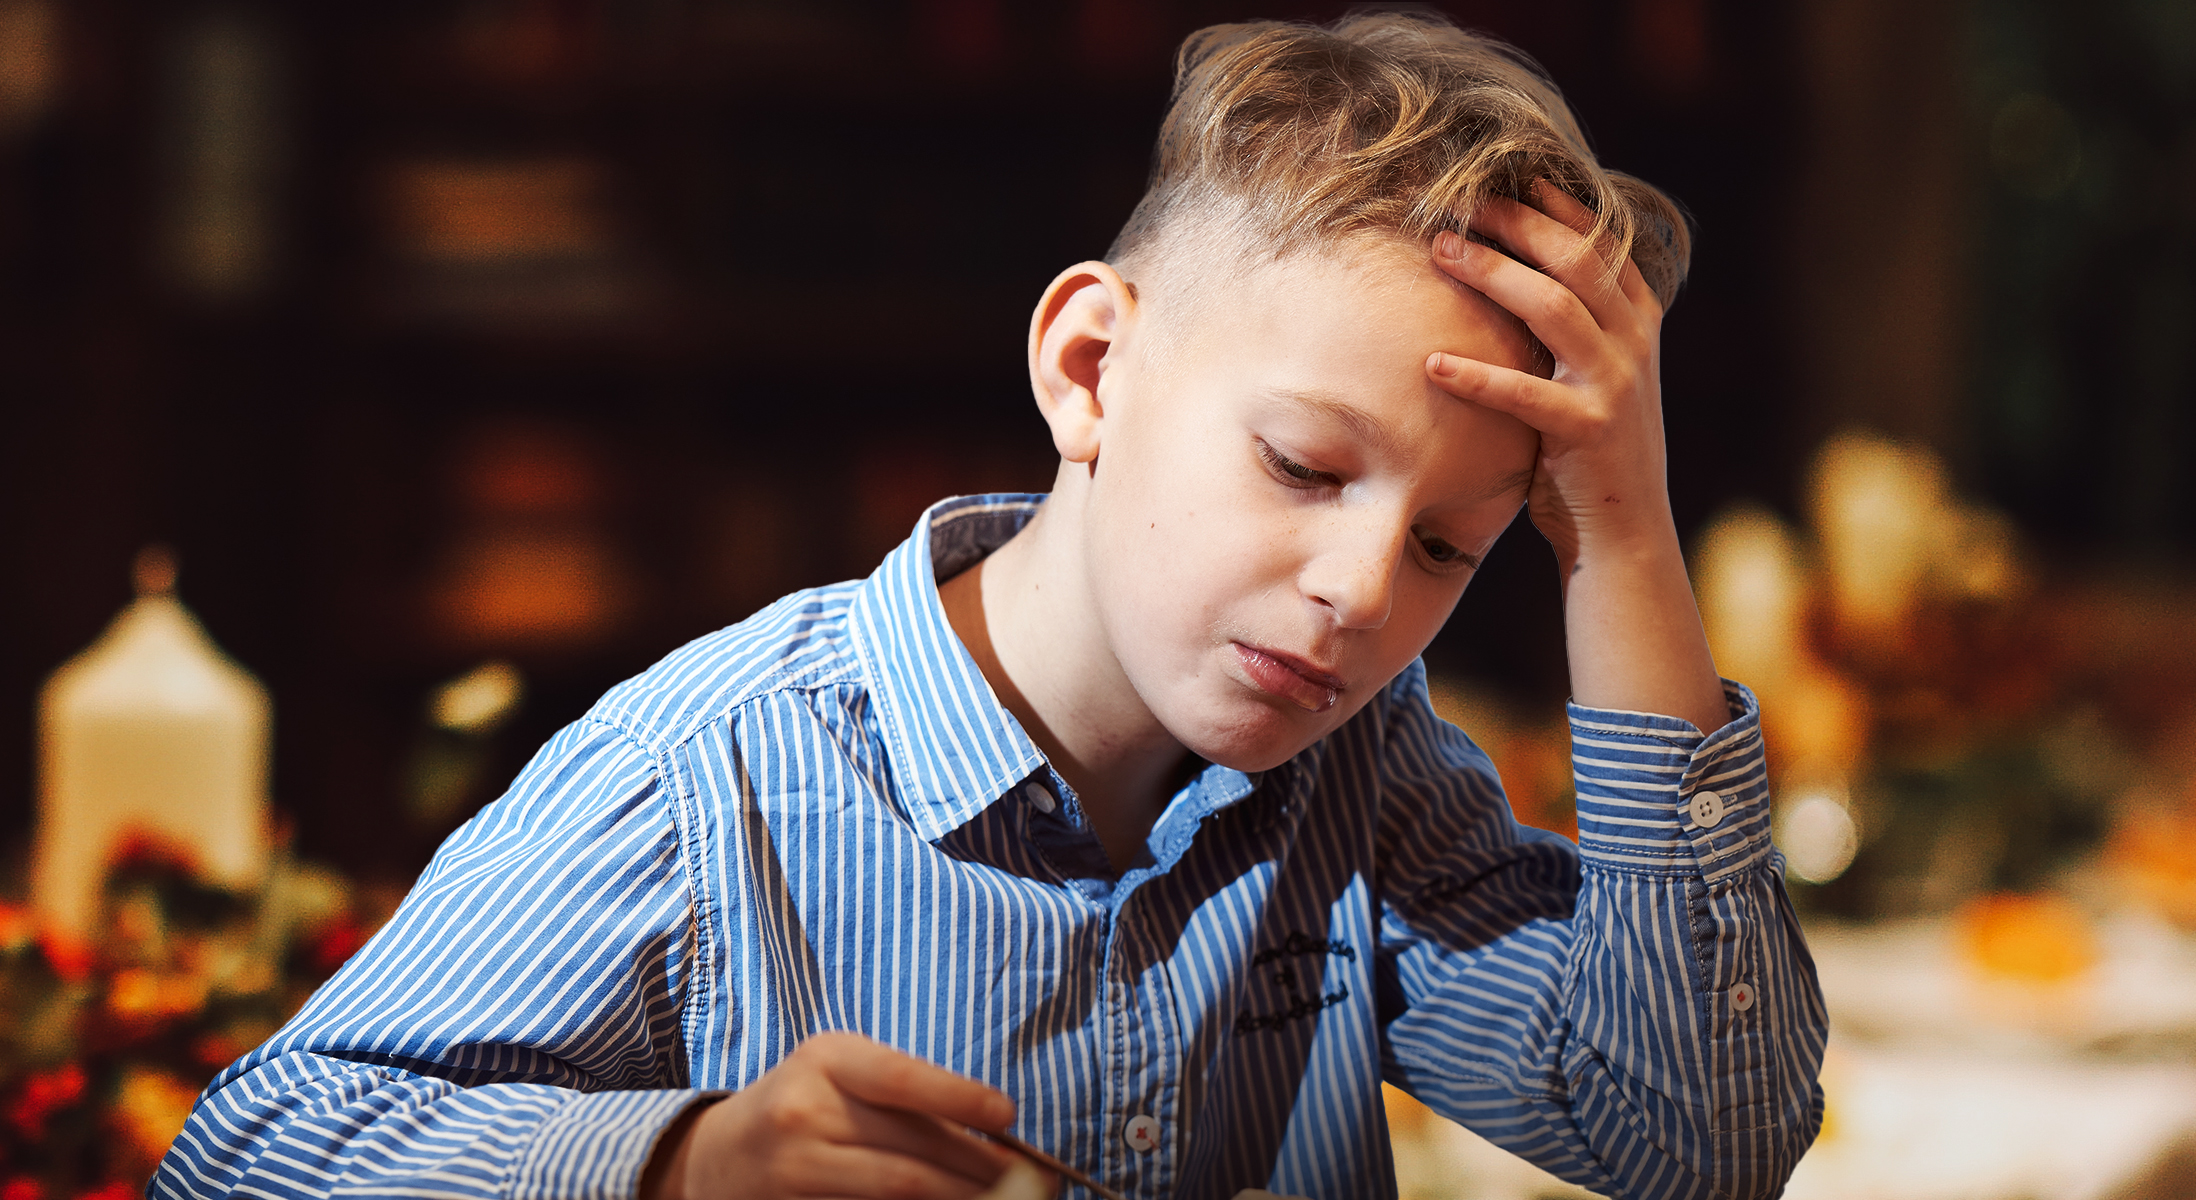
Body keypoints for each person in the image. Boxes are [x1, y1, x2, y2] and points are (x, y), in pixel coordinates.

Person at [153, 12, 1825, 1200]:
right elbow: (248, 1155)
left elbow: (1697, 1139)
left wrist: (1621, 538)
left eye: (1455, 548)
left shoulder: (1369, 780)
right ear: (1090, 367)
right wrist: (679, 1164)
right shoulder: (702, 779)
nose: (1361, 593)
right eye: (1306, 467)